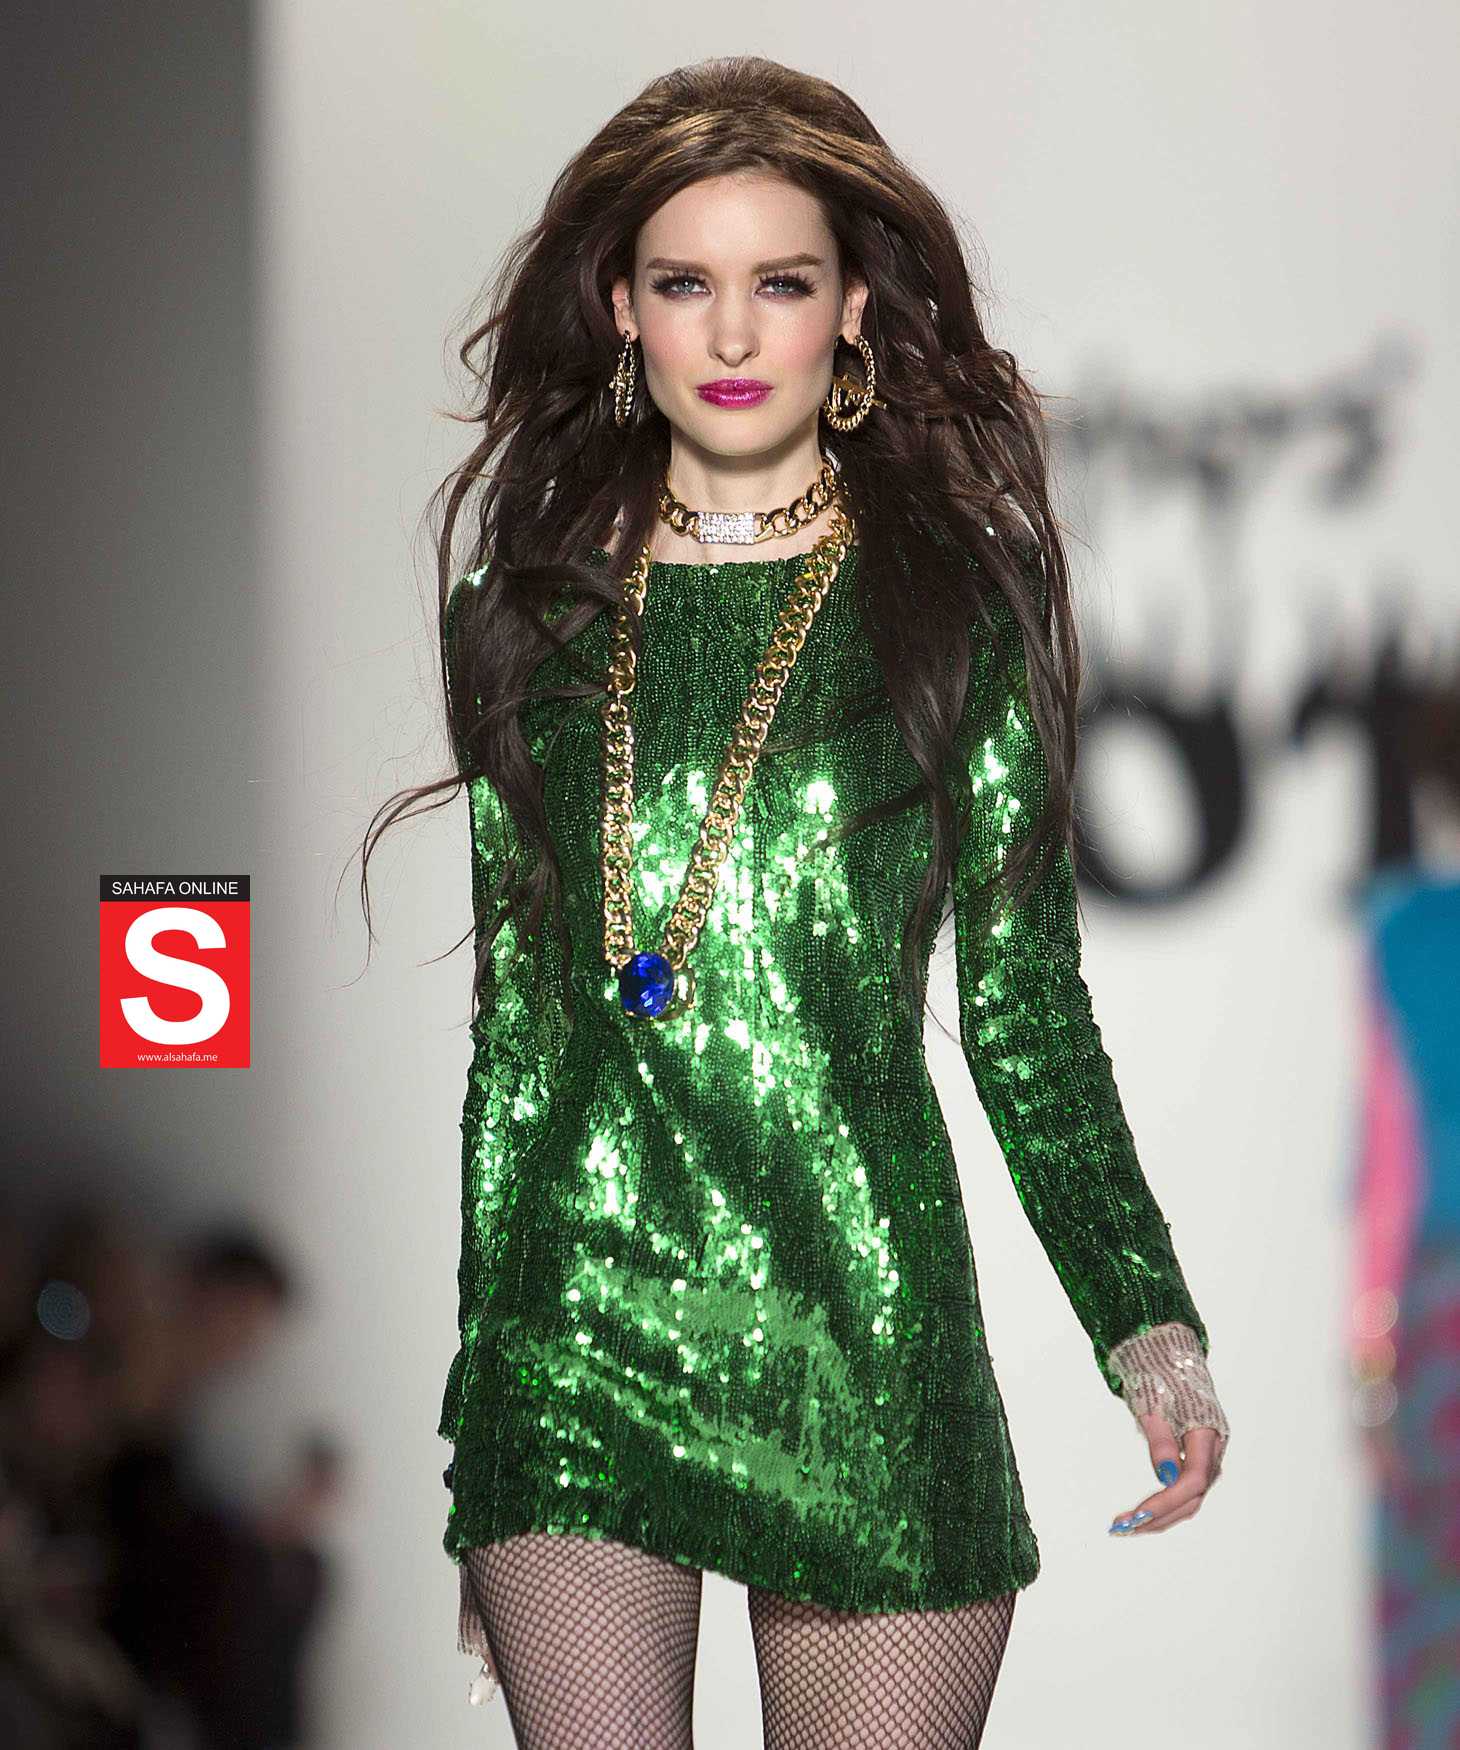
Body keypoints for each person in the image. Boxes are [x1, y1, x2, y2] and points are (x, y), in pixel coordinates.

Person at [372, 53, 1232, 1750]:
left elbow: (1025, 1010)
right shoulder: (522, 613)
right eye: (685, 282)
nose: (733, 331)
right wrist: (485, 1445)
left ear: (851, 311)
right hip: (579, 1334)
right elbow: (518, 1053)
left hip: (863, 1323)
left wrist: (1146, 1322)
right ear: (621, 309)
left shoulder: (953, 603)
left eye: (780, 282)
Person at [1350, 681, 1460, 1746]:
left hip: (1442, 1324)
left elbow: (1386, 1175)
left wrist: (1371, 1372)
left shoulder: (1406, 930)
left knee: (1433, 1615)